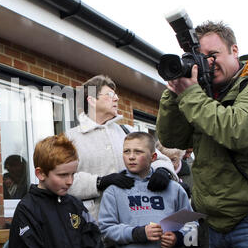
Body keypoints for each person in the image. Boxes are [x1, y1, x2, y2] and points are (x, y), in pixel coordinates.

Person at [157, 20, 248, 248]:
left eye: (213, 54)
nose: (207, 63)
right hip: (213, 223)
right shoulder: (202, 92)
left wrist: (191, 94)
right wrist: (175, 92)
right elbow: (172, 138)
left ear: (234, 50)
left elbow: (240, 131)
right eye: (200, 57)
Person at [65, 75, 178, 221]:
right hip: (93, 229)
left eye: (116, 95)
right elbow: (62, 181)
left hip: (135, 223)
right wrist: (99, 182)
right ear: (92, 100)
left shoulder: (128, 132)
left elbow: (159, 159)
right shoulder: (70, 139)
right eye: (110, 95)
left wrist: (163, 171)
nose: (117, 99)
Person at [9, 134, 105, 248]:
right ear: (41, 174)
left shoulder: (76, 205)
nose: (70, 181)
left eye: (73, 174)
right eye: (63, 175)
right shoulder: (27, 209)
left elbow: (95, 245)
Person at [98, 132, 193, 248]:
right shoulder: (113, 191)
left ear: (153, 157)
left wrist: (179, 238)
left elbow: (193, 227)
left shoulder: (174, 189)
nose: (131, 157)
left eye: (138, 152)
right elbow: (106, 230)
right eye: (126, 151)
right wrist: (138, 233)